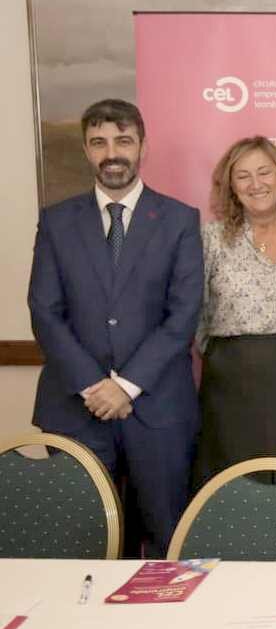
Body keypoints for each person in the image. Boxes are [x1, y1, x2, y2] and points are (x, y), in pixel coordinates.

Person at [28, 98, 203, 557]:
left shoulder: (180, 220)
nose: (112, 153)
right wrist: (93, 385)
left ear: (142, 146)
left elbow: (182, 316)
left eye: (123, 140)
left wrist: (124, 387)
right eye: (99, 142)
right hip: (74, 410)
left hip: (158, 409)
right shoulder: (56, 221)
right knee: (88, 543)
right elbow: (44, 310)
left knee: (168, 542)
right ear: (86, 150)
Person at [192, 136, 276, 488]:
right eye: (243, 176)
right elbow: (195, 310)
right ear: (230, 186)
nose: (256, 184)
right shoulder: (210, 238)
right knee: (230, 482)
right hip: (229, 381)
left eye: (264, 172)